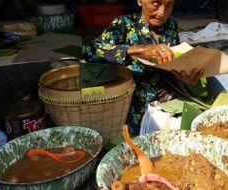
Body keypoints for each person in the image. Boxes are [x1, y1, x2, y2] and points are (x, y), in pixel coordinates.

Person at [83, 0, 204, 134]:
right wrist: (139, 49)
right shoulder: (124, 24)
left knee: (197, 122)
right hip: (136, 103)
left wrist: (184, 77)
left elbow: (170, 66)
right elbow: (90, 50)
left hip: (168, 98)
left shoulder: (170, 26)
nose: (162, 13)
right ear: (140, 1)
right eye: (156, 4)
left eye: (169, 5)